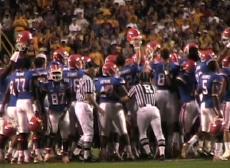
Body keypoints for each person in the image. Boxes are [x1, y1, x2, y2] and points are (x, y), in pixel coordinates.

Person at [120, 71, 165, 160]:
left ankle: (149, 153)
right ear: (148, 79)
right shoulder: (153, 87)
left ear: (140, 80)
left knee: (142, 134)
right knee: (159, 134)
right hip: (154, 109)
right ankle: (162, 153)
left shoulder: (136, 87)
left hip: (143, 110)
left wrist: (118, 100)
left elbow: (127, 98)